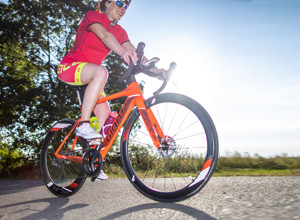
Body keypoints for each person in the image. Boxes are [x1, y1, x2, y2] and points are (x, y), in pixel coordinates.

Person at [57, 0, 164, 180]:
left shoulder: (120, 31)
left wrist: (156, 71)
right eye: (120, 2)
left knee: (106, 118)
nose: (123, 9)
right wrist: (122, 53)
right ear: (106, 3)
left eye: (126, 6)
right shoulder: (93, 16)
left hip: (91, 78)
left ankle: (93, 160)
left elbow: (134, 53)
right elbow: (105, 36)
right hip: (70, 67)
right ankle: (83, 125)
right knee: (101, 72)